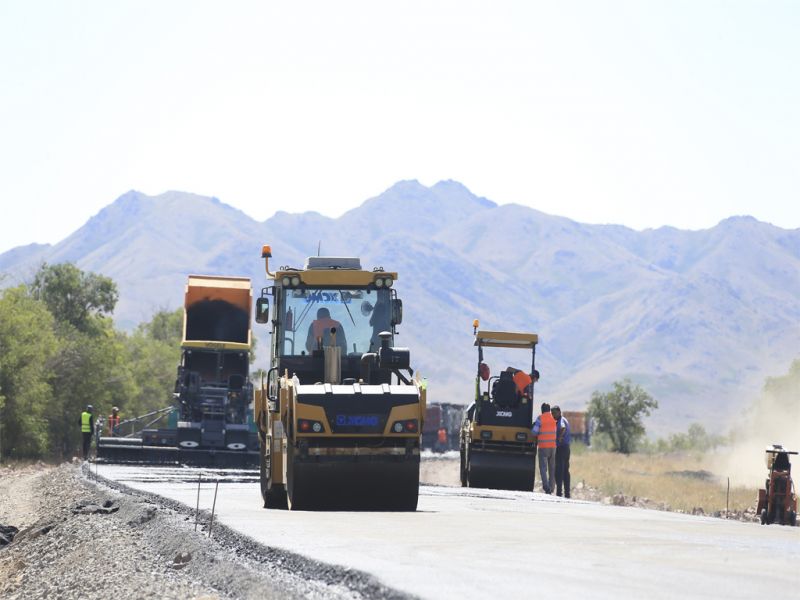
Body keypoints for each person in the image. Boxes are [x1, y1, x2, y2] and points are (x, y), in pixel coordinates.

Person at [532, 402, 557, 493]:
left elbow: (534, 432)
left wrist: (533, 426)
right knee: (552, 468)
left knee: (543, 468)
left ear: (542, 410)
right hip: (553, 447)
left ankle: (546, 487)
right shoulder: (554, 418)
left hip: (543, 447)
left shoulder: (540, 418)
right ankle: (552, 487)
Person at [551, 405, 571, 498]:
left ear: (559, 412)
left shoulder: (561, 421)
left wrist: (560, 437)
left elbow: (563, 428)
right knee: (565, 471)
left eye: (554, 413)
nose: (553, 415)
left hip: (561, 448)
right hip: (566, 448)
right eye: (552, 413)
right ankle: (567, 493)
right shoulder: (563, 419)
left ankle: (559, 492)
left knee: (559, 470)